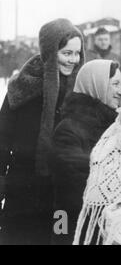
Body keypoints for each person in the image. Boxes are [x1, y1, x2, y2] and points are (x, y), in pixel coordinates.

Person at [0, 18, 85, 245]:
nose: (74, 60)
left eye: (77, 53)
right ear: (50, 51)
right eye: (67, 53)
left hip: (62, 204)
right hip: (22, 199)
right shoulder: (22, 89)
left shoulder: (82, 92)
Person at [51, 60, 121, 244]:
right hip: (75, 226)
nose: (120, 91)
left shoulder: (115, 127)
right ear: (95, 85)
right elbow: (80, 175)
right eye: (114, 84)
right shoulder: (68, 129)